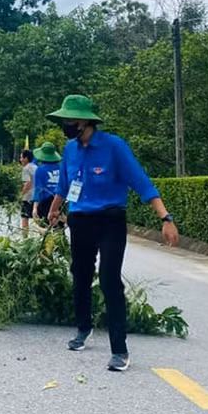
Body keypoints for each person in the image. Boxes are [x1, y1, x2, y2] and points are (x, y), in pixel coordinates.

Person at [46, 95, 179, 372]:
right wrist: (54, 210)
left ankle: (120, 349)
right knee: (80, 274)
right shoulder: (70, 149)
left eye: (70, 120)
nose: (66, 125)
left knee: (109, 279)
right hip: (80, 219)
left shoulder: (114, 147)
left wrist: (165, 218)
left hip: (110, 220)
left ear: (85, 121)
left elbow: (141, 182)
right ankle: (83, 329)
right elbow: (65, 185)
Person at [32, 142, 62, 223]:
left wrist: (35, 208)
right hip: (60, 202)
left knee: (46, 228)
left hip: (46, 203)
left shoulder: (40, 170)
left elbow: (38, 189)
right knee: (59, 228)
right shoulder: (62, 169)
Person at [19, 149, 38, 238]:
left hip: (28, 197)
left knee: (24, 218)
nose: (21, 160)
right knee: (37, 218)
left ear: (26, 158)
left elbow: (28, 183)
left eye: (21, 157)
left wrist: (21, 194)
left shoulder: (26, 169)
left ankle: (25, 238)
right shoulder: (35, 167)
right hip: (36, 197)